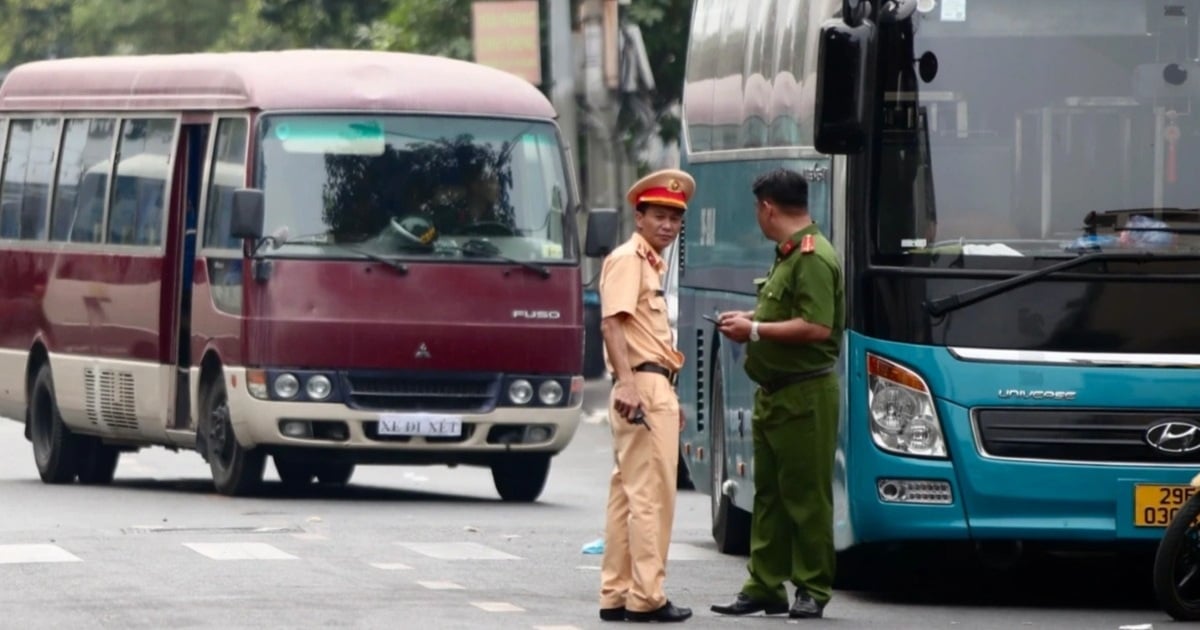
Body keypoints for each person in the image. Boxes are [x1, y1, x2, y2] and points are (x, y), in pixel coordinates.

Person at [710, 168, 845, 620]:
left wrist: (756, 330)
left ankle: (812, 587)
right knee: (767, 494)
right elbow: (787, 310)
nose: (758, 217)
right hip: (775, 394)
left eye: (757, 209)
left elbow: (817, 325)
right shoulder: (789, 255)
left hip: (805, 396)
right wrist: (751, 318)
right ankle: (764, 584)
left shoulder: (811, 256)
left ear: (768, 207)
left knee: (806, 496)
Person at [597, 168, 695, 624]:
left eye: (675, 219)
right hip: (640, 384)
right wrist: (627, 383)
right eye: (659, 216)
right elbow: (612, 323)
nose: (668, 226)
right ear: (639, 217)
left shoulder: (648, 263)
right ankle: (648, 597)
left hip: (652, 383)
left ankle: (617, 593)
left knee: (627, 495)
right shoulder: (629, 259)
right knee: (652, 495)